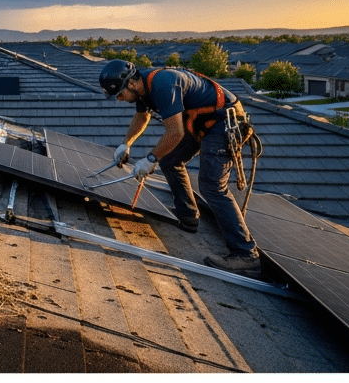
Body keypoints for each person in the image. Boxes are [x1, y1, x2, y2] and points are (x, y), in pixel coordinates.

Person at [98, 59, 261, 277]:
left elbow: (175, 132)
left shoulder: (163, 85)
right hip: (202, 121)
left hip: (225, 120)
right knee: (170, 160)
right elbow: (142, 116)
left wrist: (150, 158)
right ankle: (188, 216)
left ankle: (246, 254)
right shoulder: (142, 87)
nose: (120, 100)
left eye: (120, 95)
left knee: (212, 186)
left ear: (132, 84)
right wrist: (125, 143)